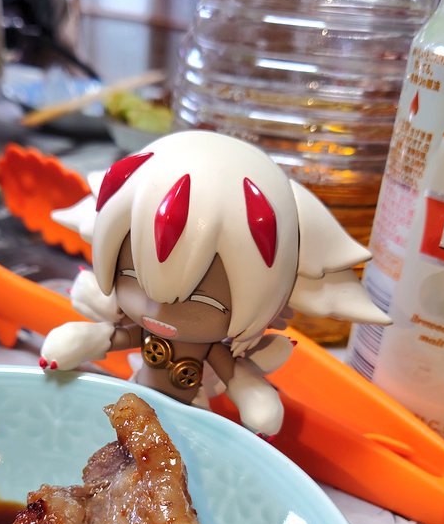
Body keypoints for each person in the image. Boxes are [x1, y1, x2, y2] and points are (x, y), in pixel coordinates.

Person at [39, 130, 390, 436]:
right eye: (132, 278)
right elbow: (112, 337)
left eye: (205, 301)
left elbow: (240, 382)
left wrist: (255, 399)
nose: (158, 310)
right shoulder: (141, 327)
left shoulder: (214, 347)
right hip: (132, 405)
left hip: (193, 420)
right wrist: (81, 341)